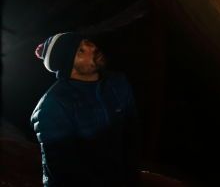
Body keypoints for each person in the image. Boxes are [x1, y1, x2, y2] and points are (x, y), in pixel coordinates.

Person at [30, 32, 140, 186]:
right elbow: (63, 171)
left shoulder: (117, 83)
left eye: (87, 41)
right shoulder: (52, 107)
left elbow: (132, 133)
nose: (92, 47)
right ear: (69, 67)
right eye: (80, 50)